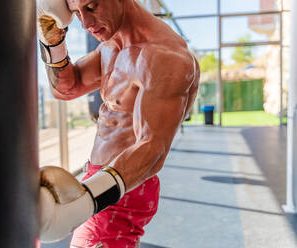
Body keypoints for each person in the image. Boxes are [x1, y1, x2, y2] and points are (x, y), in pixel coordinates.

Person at [37, 0, 200, 247]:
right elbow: (67, 88)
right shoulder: (111, 46)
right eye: (76, 12)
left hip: (123, 189)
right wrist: (51, 39)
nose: (85, 23)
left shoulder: (163, 56)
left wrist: (87, 200)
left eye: (92, 6)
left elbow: (153, 150)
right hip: (101, 181)